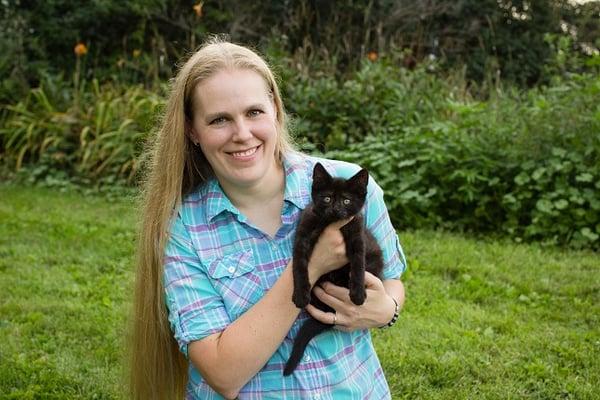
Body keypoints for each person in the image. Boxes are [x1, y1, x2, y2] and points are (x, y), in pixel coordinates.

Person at [129, 37, 407, 400]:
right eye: (219, 119)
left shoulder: (351, 187)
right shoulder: (183, 229)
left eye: (254, 112)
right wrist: (308, 266)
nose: (242, 134)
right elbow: (223, 375)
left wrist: (387, 309)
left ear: (275, 108)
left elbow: (393, 282)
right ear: (192, 130)